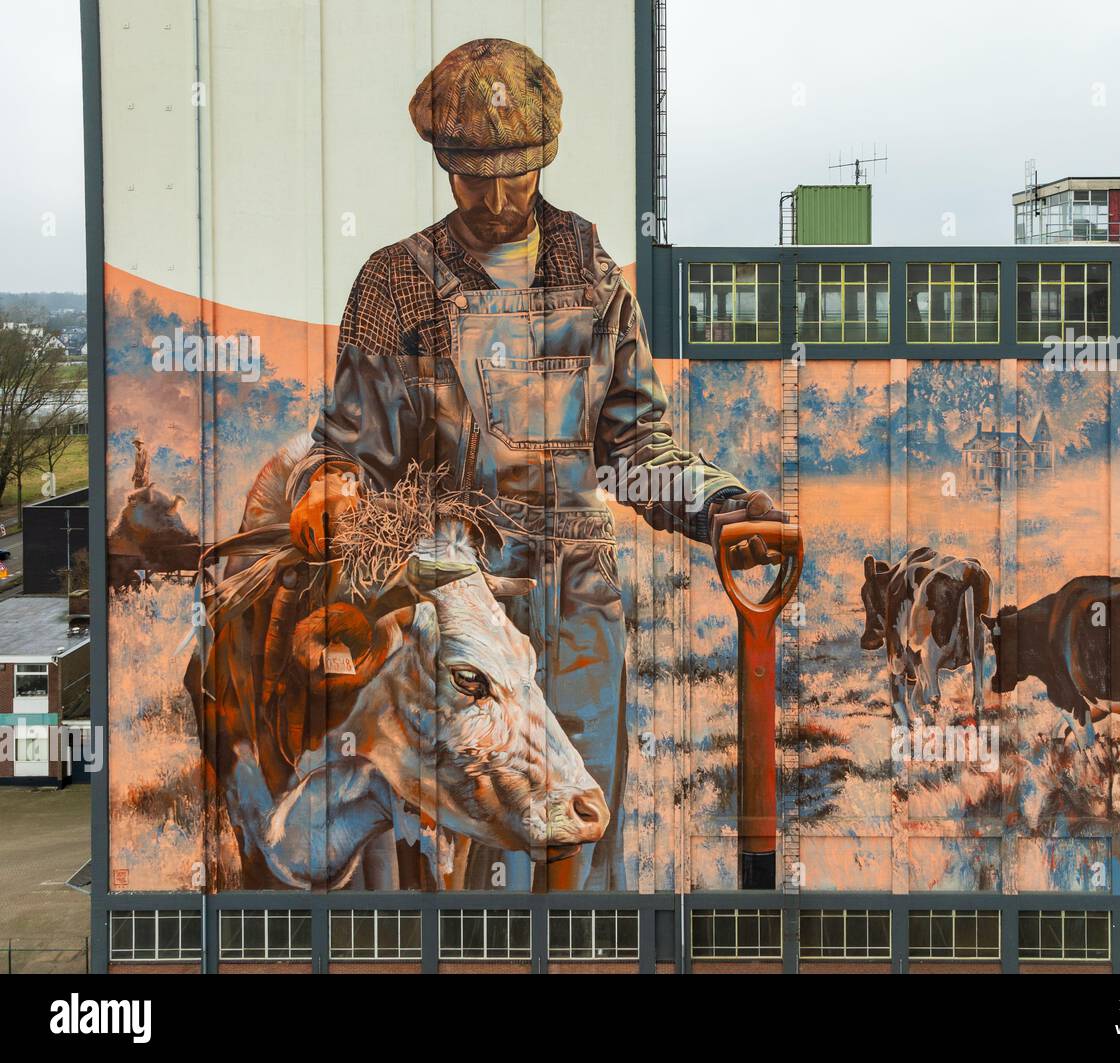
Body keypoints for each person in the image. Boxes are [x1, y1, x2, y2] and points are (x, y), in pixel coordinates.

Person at [287, 38, 797, 890]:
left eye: (513, 174)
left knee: (579, 842)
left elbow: (636, 450)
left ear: (544, 160)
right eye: (472, 174)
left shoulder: (593, 277)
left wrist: (721, 504)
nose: (493, 195)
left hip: (583, 610)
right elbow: (351, 453)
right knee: (459, 860)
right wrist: (331, 487)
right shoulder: (396, 286)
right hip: (457, 614)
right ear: (444, 164)